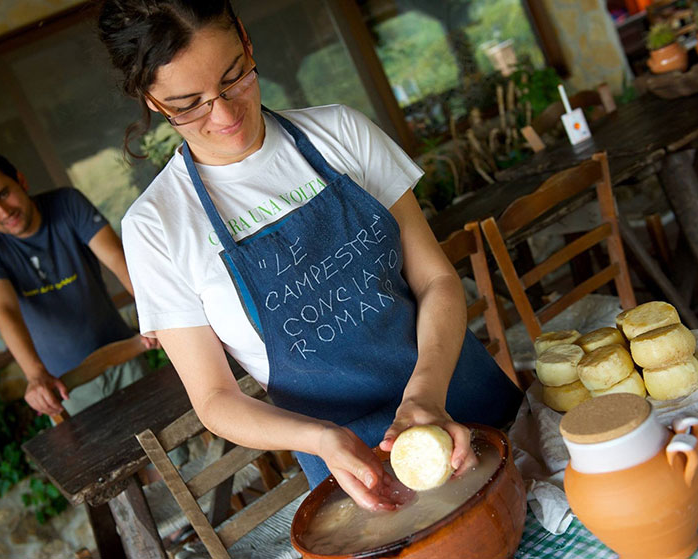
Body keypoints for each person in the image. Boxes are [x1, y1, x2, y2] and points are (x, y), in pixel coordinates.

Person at [98, 0, 522, 510]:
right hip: (357, 467)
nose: (226, 114)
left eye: (235, 78)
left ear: (249, 45)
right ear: (152, 100)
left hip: (466, 402)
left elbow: (436, 280)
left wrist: (426, 395)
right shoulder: (156, 227)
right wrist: (321, 439)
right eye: (190, 103)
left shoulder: (341, 133)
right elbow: (215, 400)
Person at [0, 149, 158, 418]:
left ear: (21, 181)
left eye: (3, 194)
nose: (3, 211)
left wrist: (154, 315)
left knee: (173, 446)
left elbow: (117, 259)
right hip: (63, 384)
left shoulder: (67, 202)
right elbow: (4, 310)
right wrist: (35, 375)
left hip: (125, 350)